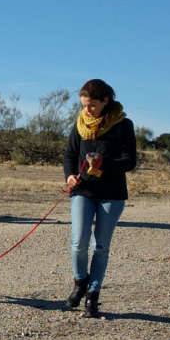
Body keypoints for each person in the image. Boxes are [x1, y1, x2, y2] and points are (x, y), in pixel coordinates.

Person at [64, 79, 136, 317]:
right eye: (84, 105)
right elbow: (70, 155)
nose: (88, 110)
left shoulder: (123, 125)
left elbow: (130, 161)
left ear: (106, 101)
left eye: (92, 105)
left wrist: (103, 165)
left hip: (112, 194)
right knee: (78, 242)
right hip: (83, 191)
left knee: (101, 246)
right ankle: (80, 282)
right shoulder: (80, 124)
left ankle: (92, 296)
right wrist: (69, 177)